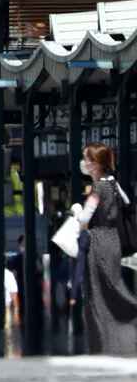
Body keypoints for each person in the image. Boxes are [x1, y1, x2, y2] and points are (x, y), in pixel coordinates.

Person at [75, 143, 137, 355]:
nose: (84, 163)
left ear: (95, 164)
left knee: (97, 293)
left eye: (86, 159)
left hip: (98, 241)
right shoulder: (114, 184)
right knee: (113, 287)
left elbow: (85, 218)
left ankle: (102, 343)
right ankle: (119, 340)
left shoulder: (97, 189)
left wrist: (76, 212)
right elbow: (128, 204)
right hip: (114, 241)